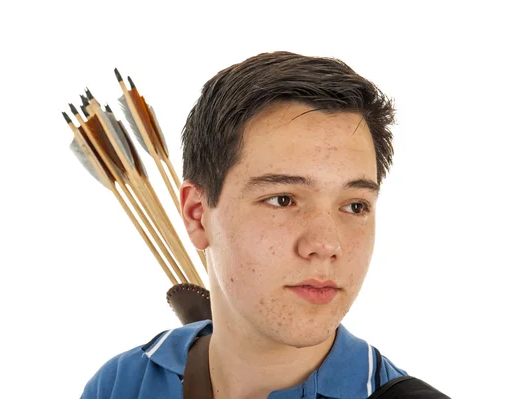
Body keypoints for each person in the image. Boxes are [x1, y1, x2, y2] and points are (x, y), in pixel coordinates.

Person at [80, 51, 448, 398]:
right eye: (283, 200)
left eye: (354, 205)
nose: (325, 243)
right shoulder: (123, 383)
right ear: (197, 215)